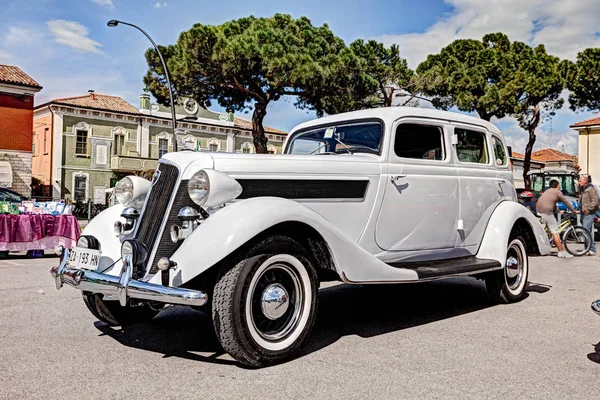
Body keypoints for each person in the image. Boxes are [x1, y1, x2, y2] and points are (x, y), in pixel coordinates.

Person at [537, 179, 579, 258]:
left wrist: (558, 211)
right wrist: (574, 210)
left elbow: (551, 203)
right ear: (557, 185)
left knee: (542, 231)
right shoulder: (557, 192)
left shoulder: (547, 191)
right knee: (555, 232)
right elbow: (565, 201)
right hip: (547, 214)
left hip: (539, 213)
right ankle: (561, 252)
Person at [578, 175, 598, 255]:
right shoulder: (585, 189)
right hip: (584, 213)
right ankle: (587, 249)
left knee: (586, 231)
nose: (578, 183)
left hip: (589, 214)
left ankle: (591, 249)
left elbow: (595, 201)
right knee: (586, 231)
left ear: (585, 181)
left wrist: (588, 209)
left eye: (580, 181)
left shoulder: (591, 189)